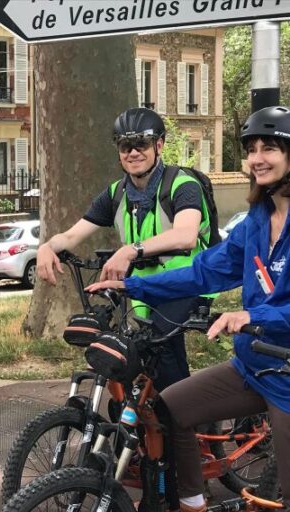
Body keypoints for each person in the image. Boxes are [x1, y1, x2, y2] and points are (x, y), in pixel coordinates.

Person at [86, 105, 290, 512]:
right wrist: (134, 286)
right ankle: (194, 509)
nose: (256, 158)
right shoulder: (258, 218)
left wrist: (253, 315)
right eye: (251, 149)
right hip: (254, 366)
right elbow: (203, 271)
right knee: (168, 409)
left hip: (287, 374)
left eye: (269, 147)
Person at [36, 107, 214, 391]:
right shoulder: (116, 193)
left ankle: (186, 424)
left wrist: (130, 250)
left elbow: (186, 235)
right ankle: (147, 424)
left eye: (141, 144)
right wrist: (47, 247)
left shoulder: (183, 185)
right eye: (125, 146)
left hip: (189, 283)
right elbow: (71, 235)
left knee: (162, 349)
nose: (133, 153)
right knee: (129, 355)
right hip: (144, 286)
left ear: (159, 144)